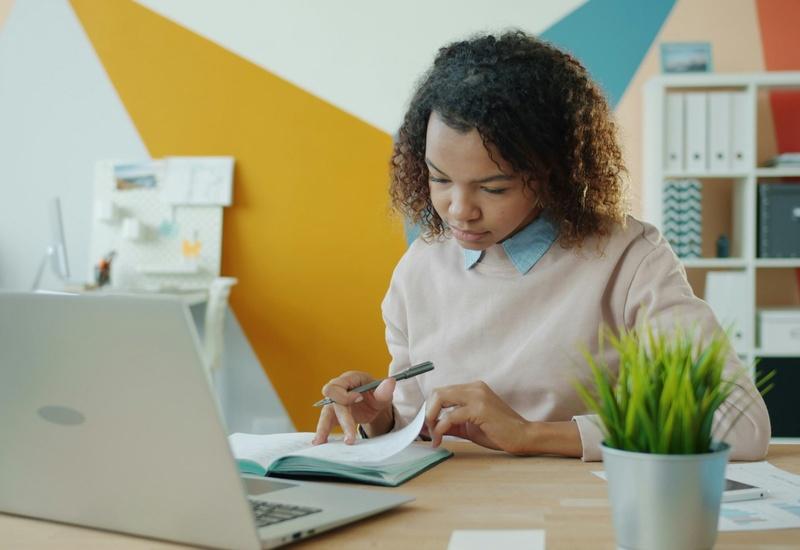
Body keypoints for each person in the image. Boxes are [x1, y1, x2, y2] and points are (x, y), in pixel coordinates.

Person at [312, 31, 770, 461]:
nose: (458, 210)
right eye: (439, 179)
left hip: (581, 516)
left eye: (493, 189)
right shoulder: (420, 268)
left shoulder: (631, 260)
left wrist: (532, 435)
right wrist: (382, 418)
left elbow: (740, 425)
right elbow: (419, 429)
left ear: (554, 172)